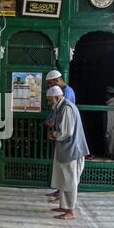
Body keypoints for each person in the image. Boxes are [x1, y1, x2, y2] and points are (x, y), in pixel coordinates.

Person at [46, 86, 89, 220]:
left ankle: (70, 211)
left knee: (70, 181)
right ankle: (64, 206)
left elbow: (66, 132)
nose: (49, 103)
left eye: (50, 100)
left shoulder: (66, 108)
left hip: (72, 150)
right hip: (66, 149)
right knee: (64, 180)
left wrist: (53, 134)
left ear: (57, 97)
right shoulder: (62, 107)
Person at [45, 70, 76, 199]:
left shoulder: (66, 95)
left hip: (66, 138)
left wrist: (52, 124)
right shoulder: (64, 94)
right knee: (60, 166)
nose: (50, 87)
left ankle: (64, 200)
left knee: (67, 170)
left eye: (51, 84)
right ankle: (60, 193)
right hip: (61, 134)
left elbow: (61, 112)